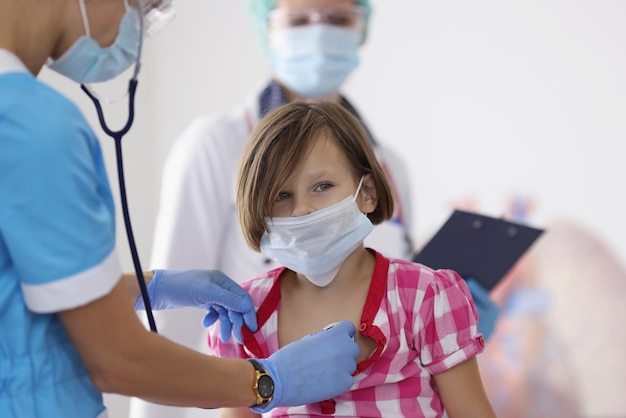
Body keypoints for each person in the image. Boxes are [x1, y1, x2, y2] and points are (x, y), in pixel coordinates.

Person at [0, 0, 361, 416]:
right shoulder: (34, 130)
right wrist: (267, 380)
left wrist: (148, 288)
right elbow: (118, 359)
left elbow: (17, 294)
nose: (134, 29)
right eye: (142, 6)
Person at [207, 101, 497, 418]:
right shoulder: (245, 314)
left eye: (322, 186)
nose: (302, 209)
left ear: (368, 193)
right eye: (281, 195)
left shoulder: (424, 297)